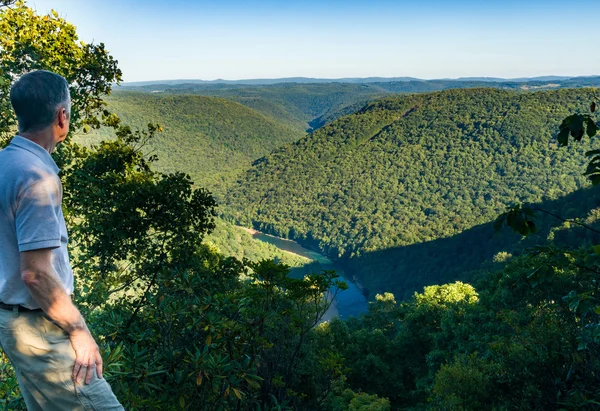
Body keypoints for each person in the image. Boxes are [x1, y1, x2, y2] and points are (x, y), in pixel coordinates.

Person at [0, 70, 124, 410]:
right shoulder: (36, 177)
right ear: (61, 116)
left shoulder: (5, 161)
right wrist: (79, 330)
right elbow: (35, 274)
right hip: (39, 327)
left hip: (14, 322)